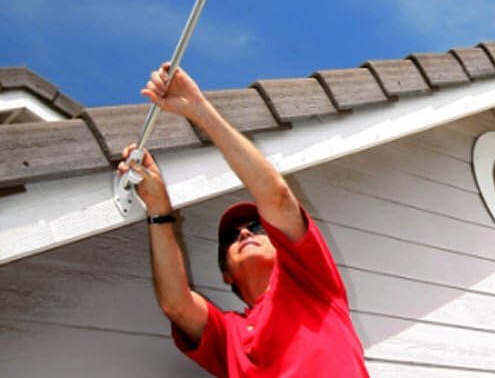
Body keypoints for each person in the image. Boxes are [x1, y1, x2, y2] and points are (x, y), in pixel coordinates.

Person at [117, 62, 370, 377]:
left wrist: (199, 109)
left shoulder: (311, 283)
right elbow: (176, 305)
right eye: (231, 238)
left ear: (282, 250)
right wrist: (158, 207)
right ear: (226, 275)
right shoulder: (228, 334)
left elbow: (276, 197)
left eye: (256, 227)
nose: (244, 234)